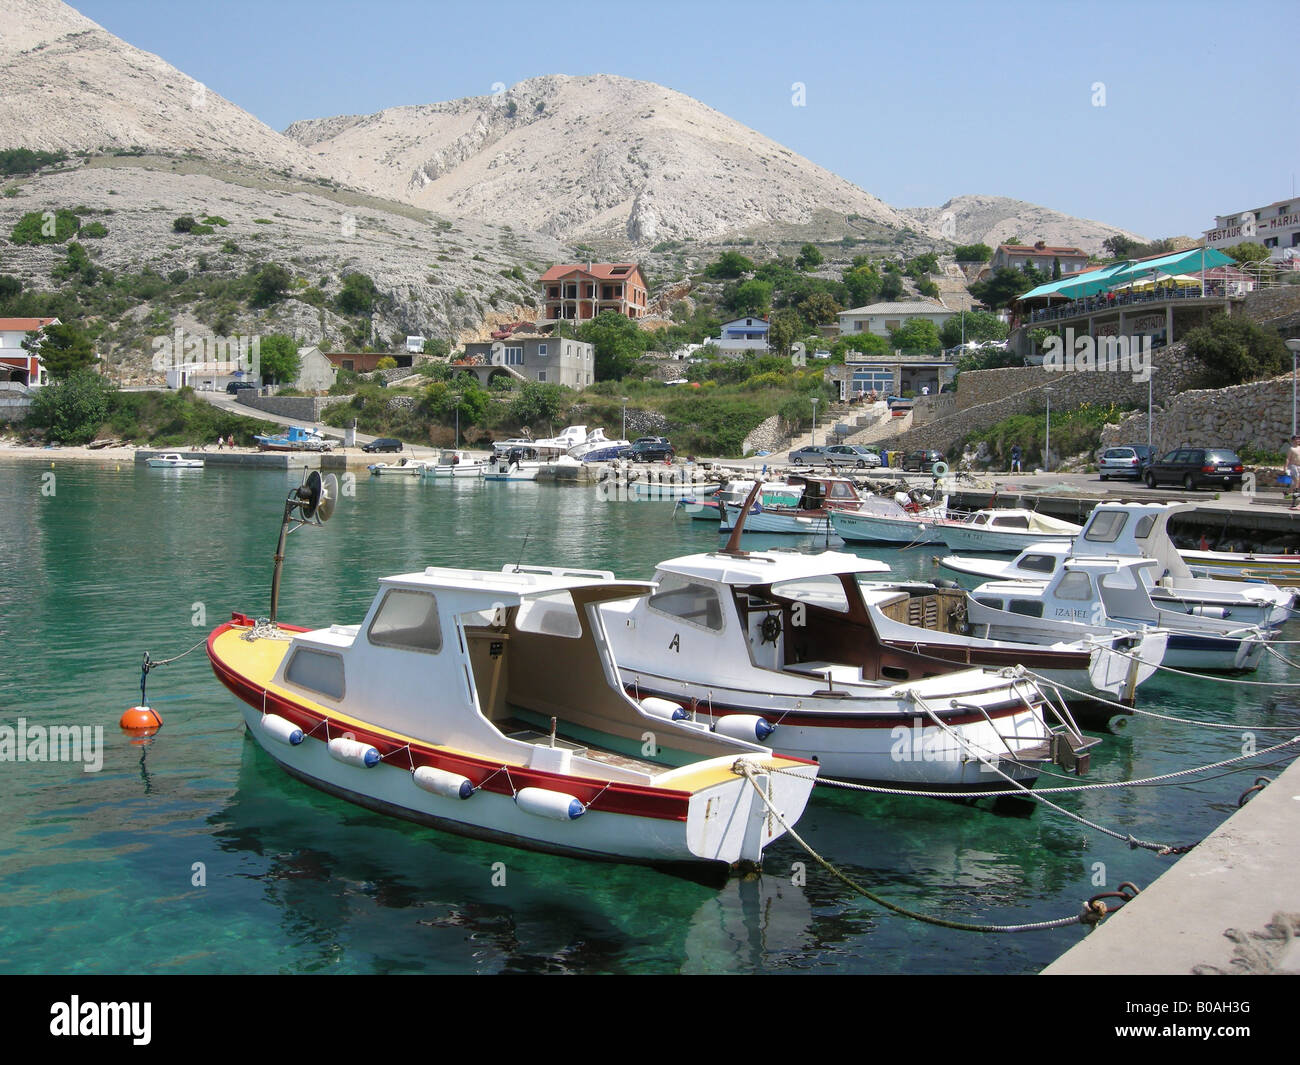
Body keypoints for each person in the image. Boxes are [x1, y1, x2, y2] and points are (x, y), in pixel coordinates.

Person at [1287, 436, 1300, 509]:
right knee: (1297, 482)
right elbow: (1288, 458)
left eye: (1299, 439)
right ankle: (1294, 503)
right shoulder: (1291, 449)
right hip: (1294, 466)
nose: (1298, 440)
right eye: (1296, 439)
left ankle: (1288, 493)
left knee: (1296, 484)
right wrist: (1286, 468)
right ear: (1293, 441)